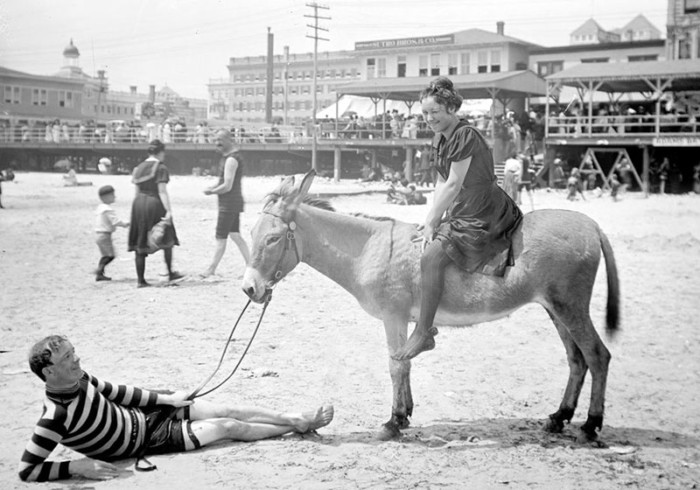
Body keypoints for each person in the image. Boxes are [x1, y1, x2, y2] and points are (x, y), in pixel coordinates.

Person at [18, 335, 334, 482]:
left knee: (226, 408)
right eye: (67, 359)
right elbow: (27, 470)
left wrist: (168, 400)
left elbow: (121, 393)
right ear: (48, 372)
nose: (77, 360)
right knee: (227, 426)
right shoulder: (54, 418)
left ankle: (292, 417)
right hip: (147, 441)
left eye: (74, 352)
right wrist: (77, 467)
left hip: (147, 414)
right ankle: (296, 427)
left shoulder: (81, 378)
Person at [393, 77, 523, 360]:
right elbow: (441, 182)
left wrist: (432, 221)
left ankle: (424, 331)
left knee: (430, 258)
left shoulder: (465, 135)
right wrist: (433, 217)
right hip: (461, 207)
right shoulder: (440, 139)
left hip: (482, 209)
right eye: (424, 113)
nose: (428, 119)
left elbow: (454, 183)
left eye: (434, 112)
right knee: (427, 241)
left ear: (451, 108)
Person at [128, 139, 184, 288]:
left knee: (140, 241)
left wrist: (137, 210)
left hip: (138, 204)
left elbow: (137, 191)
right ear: (161, 152)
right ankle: (170, 272)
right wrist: (169, 211)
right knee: (167, 236)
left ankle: (141, 280)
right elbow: (162, 191)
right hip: (154, 202)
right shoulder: (160, 167)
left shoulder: (138, 168)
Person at [201, 129, 250, 278]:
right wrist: (215, 188)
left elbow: (227, 186)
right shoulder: (232, 157)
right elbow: (226, 183)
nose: (217, 144)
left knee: (220, 237)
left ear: (229, 140)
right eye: (216, 141)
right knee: (235, 235)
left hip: (228, 204)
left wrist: (212, 191)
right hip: (233, 203)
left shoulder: (231, 159)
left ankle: (211, 269)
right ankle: (251, 266)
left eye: (220, 140)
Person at [94, 185, 129, 281]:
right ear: (106, 197)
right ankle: (99, 270)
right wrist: (126, 223)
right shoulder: (107, 209)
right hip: (105, 235)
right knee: (110, 256)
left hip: (99, 234)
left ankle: (100, 273)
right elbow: (115, 221)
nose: (115, 197)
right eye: (112, 195)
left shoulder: (100, 208)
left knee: (105, 255)